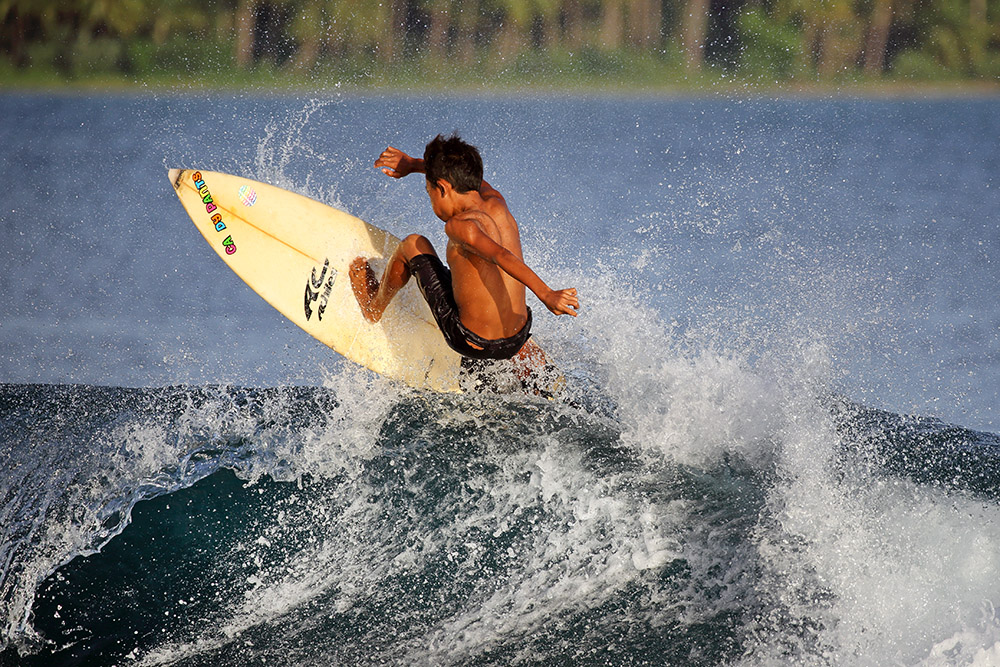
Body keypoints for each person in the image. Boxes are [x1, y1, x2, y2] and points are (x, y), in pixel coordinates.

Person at [349, 133, 579, 373]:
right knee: (478, 273)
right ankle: (521, 357)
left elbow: (501, 256)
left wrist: (547, 294)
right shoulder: (495, 200)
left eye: (429, 193)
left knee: (413, 243)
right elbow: (470, 181)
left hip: (471, 342)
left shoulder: (460, 226)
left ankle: (372, 307)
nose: (431, 202)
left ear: (442, 188)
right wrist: (414, 165)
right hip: (516, 339)